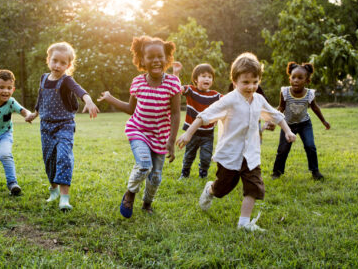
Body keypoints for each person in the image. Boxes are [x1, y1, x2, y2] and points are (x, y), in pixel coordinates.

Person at [176, 52, 296, 231]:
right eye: (245, 82)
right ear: (235, 82)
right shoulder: (229, 100)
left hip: (251, 154)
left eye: (255, 82)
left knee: (254, 187)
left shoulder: (259, 100)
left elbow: (275, 115)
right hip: (231, 154)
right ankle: (210, 189)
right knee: (222, 189)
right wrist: (188, 134)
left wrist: (288, 131)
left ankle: (244, 223)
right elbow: (204, 116)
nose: (251, 86)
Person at [98, 35, 181, 218]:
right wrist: (110, 99)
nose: (156, 61)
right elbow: (130, 109)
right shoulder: (137, 82)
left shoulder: (173, 83)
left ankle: (147, 203)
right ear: (142, 60)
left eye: (160, 56)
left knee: (156, 177)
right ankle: (130, 193)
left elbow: (175, 114)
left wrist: (171, 140)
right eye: (150, 57)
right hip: (139, 130)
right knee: (144, 165)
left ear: (166, 58)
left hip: (160, 135)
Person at [25, 42, 99, 211]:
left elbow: (79, 90)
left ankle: (64, 198)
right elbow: (41, 99)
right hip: (46, 127)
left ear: (68, 65)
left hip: (64, 125)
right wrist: (34, 114)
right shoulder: (43, 78)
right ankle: (54, 190)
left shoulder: (66, 80)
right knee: (49, 159)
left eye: (62, 63)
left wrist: (88, 100)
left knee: (64, 157)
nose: (57, 65)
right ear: (48, 60)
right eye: (54, 60)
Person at [271, 62, 330, 180]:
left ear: (307, 81)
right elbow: (281, 107)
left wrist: (324, 121)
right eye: (293, 77)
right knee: (283, 149)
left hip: (304, 124)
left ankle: (315, 171)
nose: (296, 80)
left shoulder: (309, 94)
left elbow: (315, 107)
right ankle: (277, 172)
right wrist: (273, 121)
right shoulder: (285, 92)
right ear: (289, 79)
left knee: (310, 146)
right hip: (287, 125)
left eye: (300, 78)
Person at [173, 62, 222, 179]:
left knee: (206, 156)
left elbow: (229, 101)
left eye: (210, 77)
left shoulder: (215, 96)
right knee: (189, 155)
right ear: (195, 79)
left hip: (207, 134)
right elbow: (176, 89)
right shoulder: (191, 90)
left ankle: (203, 174)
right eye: (204, 76)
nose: (207, 79)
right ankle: (185, 173)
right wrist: (176, 73)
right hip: (192, 133)